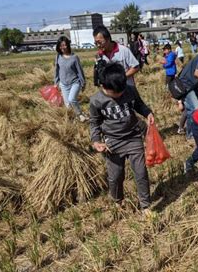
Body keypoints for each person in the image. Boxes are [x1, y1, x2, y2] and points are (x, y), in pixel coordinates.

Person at [89, 62, 155, 216]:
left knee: (141, 173)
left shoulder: (130, 91)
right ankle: (118, 200)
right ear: (104, 86)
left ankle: (145, 205)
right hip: (113, 142)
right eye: (115, 93)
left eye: (121, 91)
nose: (119, 95)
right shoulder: (97, 100)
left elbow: (139, 105)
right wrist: (96, 140)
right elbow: (94, 122)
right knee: (116, 176)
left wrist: (148, 113)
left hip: (133, 137)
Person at [54, 36, 87, 121]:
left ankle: (80, 114)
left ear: (68, 45)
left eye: (64, 45)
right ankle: (74, 119)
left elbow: (80, 71)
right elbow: (57, 70)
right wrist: (56, 82)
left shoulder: (74, 57)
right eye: (61, 46)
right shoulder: (58, 56)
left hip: (75, 82)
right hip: (64, 84)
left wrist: (83, 83)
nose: (63, 47)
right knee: (68, 105)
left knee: (72, 99)